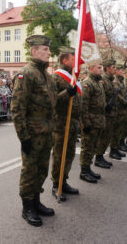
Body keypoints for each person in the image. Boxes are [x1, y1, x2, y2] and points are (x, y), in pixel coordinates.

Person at [11, 35, 77, 227]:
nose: (49, 53)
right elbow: (17, 108)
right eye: (45, 50)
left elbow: (53, 100)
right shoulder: (26, 74)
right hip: (32, 134)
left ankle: (36, 201)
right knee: (29, 171)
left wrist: (67, 93)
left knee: (41, 170)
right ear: (34, 51)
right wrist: (24, 137)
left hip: (47, 132)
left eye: (48, 50)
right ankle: (27, 207)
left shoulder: (47, 75)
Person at [50, 46, 80, 202]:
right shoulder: (56, 77)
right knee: (59, 155)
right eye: (73, 58)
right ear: (64, 60)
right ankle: (56, 184)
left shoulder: (73, 77)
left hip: (73, 123)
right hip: (60, 123)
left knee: (69, 155)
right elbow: (52, 101)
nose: (77, 61)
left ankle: (64, 180)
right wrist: (66, 93)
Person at [79, 62, 105, 183]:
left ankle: (88, 168)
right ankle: (83, 172)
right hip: (90, 121)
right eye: (99, 67)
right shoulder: (87, 83)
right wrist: (86, 123)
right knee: (87, 147)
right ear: (91, 69)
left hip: (97, 120)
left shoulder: (97, 83)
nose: (101, 69)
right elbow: (83, 105)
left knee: (93, 146)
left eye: (101, 67)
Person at [96, 59, 122, 165]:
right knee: (103, 137)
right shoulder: (103, 80)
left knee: (107, 137)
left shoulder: (111, 80)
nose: (115, 69)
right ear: (107, 68)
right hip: (106, 113)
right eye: (113, 67)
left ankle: (101, 156)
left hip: (112, 113)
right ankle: (98, 158)